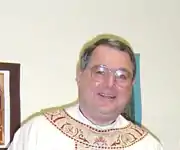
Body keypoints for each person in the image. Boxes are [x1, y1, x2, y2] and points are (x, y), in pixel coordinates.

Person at [8, 33, 163, 150]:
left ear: (132, 84)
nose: (110, 84)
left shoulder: (147, 145)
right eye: (100, 72)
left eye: (122, 76)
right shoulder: (38, 132)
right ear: (80, 74)